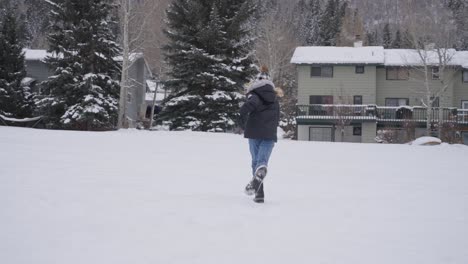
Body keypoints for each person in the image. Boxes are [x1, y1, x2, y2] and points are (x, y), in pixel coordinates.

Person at [239, 66, 280, 203]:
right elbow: (277, 117)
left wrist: (241, 114)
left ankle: (259, 193)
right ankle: (259, 193)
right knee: (262, 163)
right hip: (269, 134)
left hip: (254, 132)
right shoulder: (275, 97)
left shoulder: (255, 94)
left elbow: (250, 105)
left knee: (255, 162)